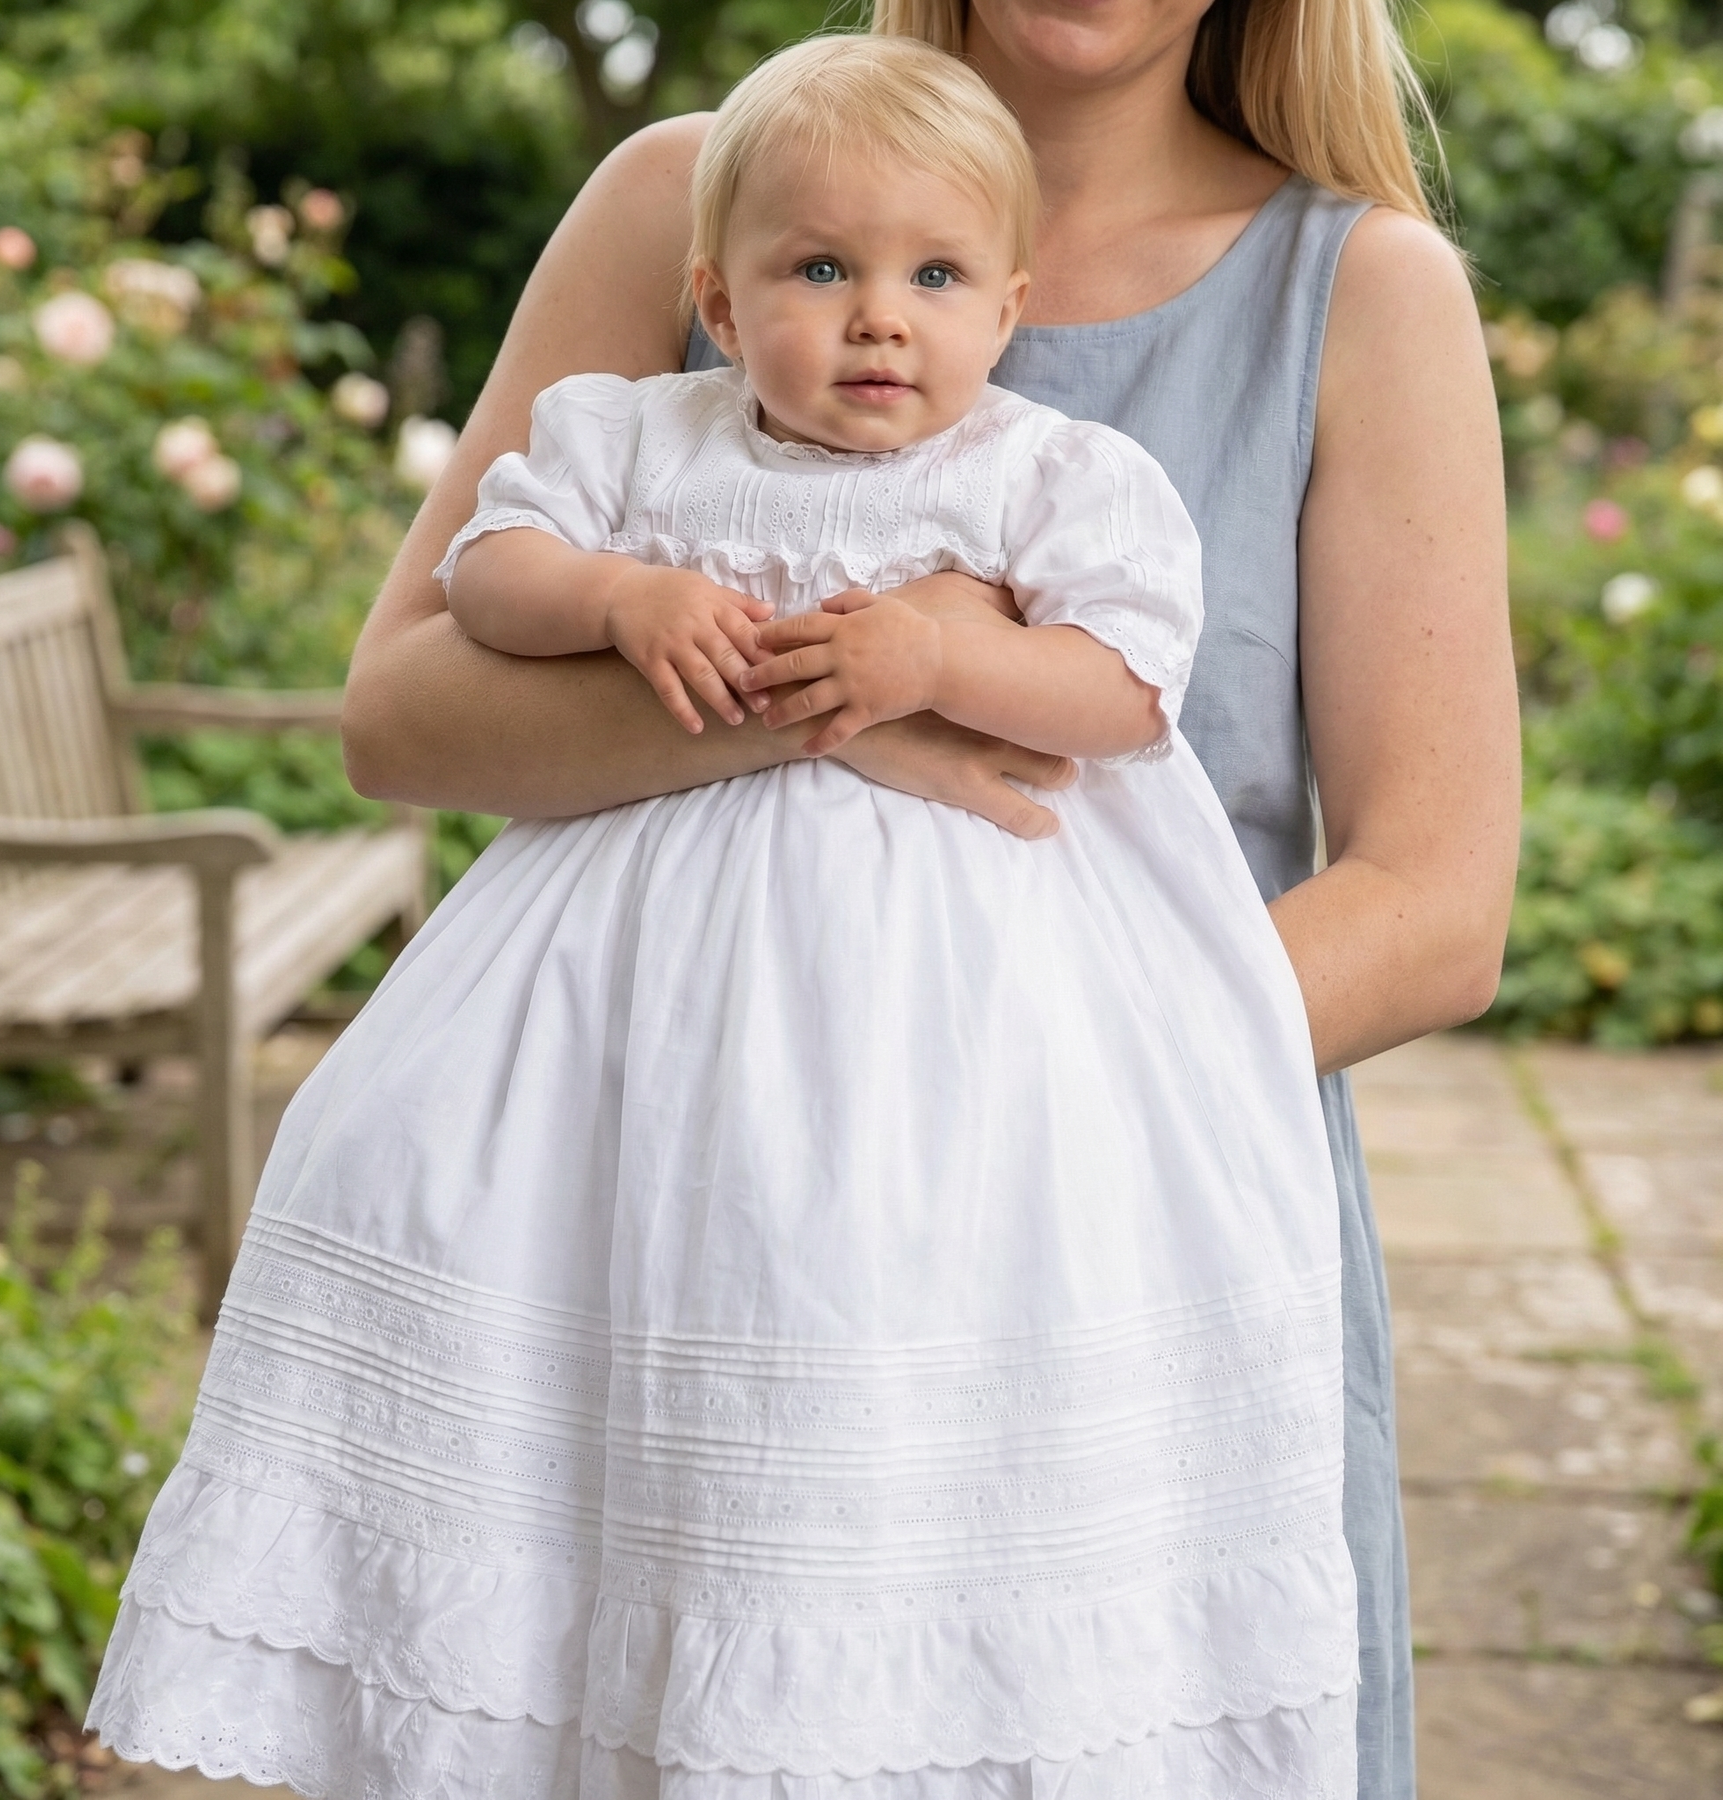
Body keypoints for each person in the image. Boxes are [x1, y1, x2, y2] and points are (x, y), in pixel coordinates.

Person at [90, 33, 1368, 1797]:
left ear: (1013, 308)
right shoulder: (644, 436)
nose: (874, 321)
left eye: (928, 281)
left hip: (1008, 1126)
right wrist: (634, 607)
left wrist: (941, 658)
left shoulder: (1047, 472)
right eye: (819, 274)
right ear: (716, 295)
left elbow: (1127, 687)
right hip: (633, 1074)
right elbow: (481, 584)